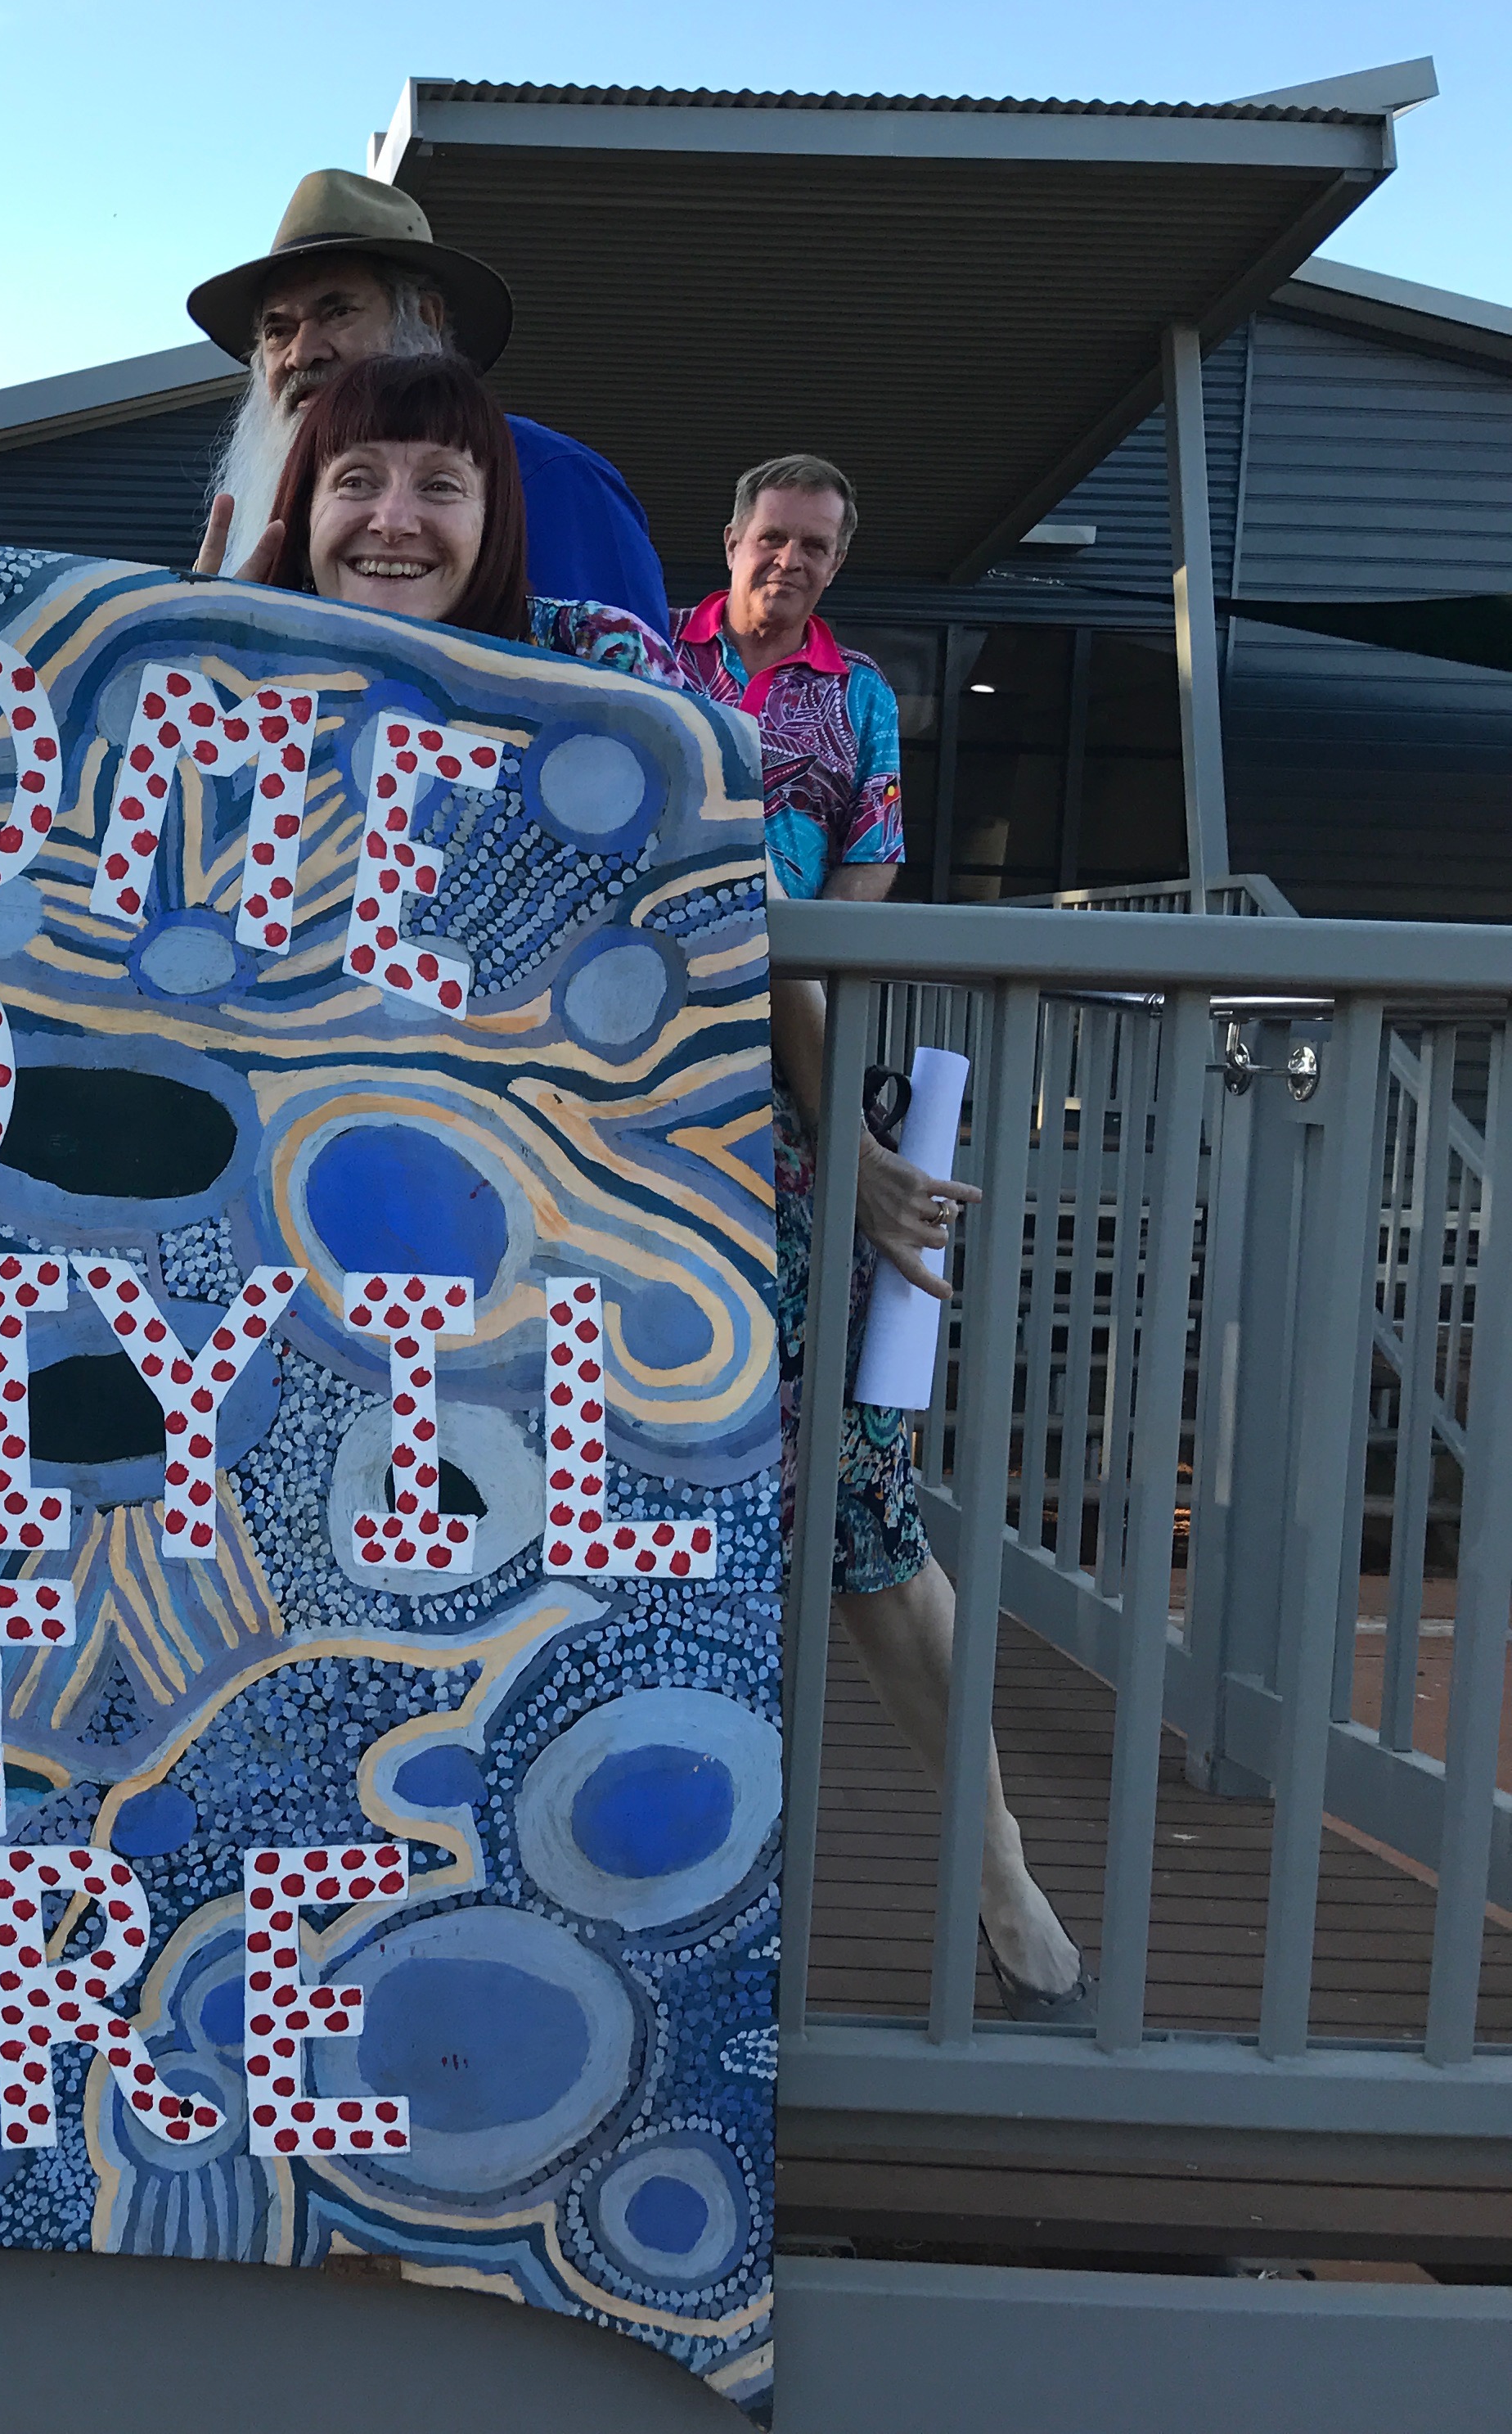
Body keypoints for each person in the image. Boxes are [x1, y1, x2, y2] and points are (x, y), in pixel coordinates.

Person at [678, 452, 1093, 2022]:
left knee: (858, 1505)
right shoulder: (647, 654)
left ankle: (998, 1862)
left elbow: (864, 868)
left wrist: (832, 1111)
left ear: (837, 565)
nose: (787, 560)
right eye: (768, 536)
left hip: (790, 1106)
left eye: (814, 546)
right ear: (729, 543)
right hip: (628, 1093)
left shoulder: (850, 700)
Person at [185, 169, 668, 628]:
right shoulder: (263, 501)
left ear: (426, 319)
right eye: (278, 330)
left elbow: (626, 701)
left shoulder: (548, 474)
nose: (300, 354)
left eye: (338, 312)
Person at [253, 352, 681, 686]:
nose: (393, 521)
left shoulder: (603, 653)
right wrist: (203, 641)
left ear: (492, 522)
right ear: (304, 513)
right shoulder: (226, 666)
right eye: (356, 481)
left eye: (440, 486)